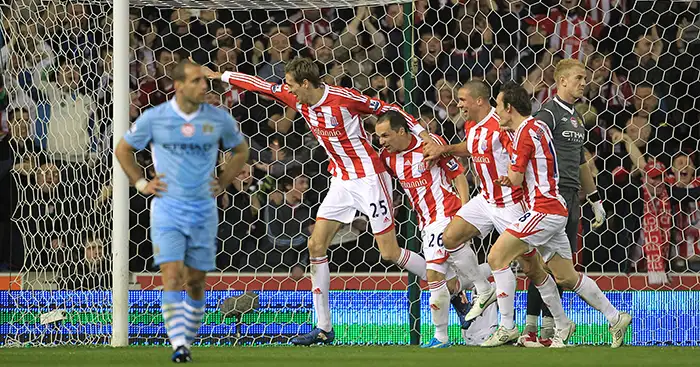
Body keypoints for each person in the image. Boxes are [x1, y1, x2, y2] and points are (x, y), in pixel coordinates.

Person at [197, 57, 439, 345]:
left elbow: (390, 108)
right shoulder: (297, 98)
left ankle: (450, 285)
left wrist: (425, 135)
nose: (287, 90)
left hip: (370, 179)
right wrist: (220, 75)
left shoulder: (343, 99)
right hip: (340, 181)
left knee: (389, 252)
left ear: (306, 83)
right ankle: (323, 328)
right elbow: (260, 84)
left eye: (291, 85)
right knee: (315, 245)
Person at [115, 59, 249, 362]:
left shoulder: (218, 118)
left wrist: (225, 180)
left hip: (203, 208)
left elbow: (241, 151)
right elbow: (123, 149)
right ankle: (179, 344)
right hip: (167, 208)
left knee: (196, 281)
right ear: (178, 85)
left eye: (204, 81)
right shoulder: (155, 118)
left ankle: (186, 336)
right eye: (197, 81)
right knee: (172, 276)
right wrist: (140, 183)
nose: (204, 86)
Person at [483, 82, 631, 348]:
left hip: (544, 209)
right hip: (555, 207)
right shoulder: (536, 127)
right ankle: (613, 317)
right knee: (566, 276)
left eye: (498, 106)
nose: (496, 111)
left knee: (496, 256)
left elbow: (516, 178)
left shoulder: (527, 132)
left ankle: (506, 326)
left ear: (509, 107)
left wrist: (505, 179)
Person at [376, 110, 494, 348]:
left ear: (401, 131)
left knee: (434, 276)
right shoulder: (388, 158)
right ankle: (494, 271)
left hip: (446, 216)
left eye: (386, 135)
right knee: (448, 283)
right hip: (425, 222)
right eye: (379, 137)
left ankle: (441, 337)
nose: (382, 142)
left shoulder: (431, 145)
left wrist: (463, 214)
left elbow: (459, 176)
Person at [520, 58, 608, 347]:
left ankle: (547, 331)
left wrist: (594, 198)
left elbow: (582, 160)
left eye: (585, 78)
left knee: (561, 266)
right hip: (550, 196)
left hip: (572, 197)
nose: (584, 83)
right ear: (562, 81)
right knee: (541, 262)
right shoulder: (548, 115)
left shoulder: (578, 118)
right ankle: (531, 328)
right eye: (579, 78)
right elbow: (530, 149)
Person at [422, 80, 521, 321]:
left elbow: (520, 153)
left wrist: (517, 177)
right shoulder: (472, 126)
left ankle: (551, 321)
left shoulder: (502, 125)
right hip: (486, 199)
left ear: (479, 101)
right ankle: (484, 290)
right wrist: (445, 149)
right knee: (451, 237)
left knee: (531, 267)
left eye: (463, 99)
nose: (458, 104)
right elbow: (470, 146)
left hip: (511, 201)